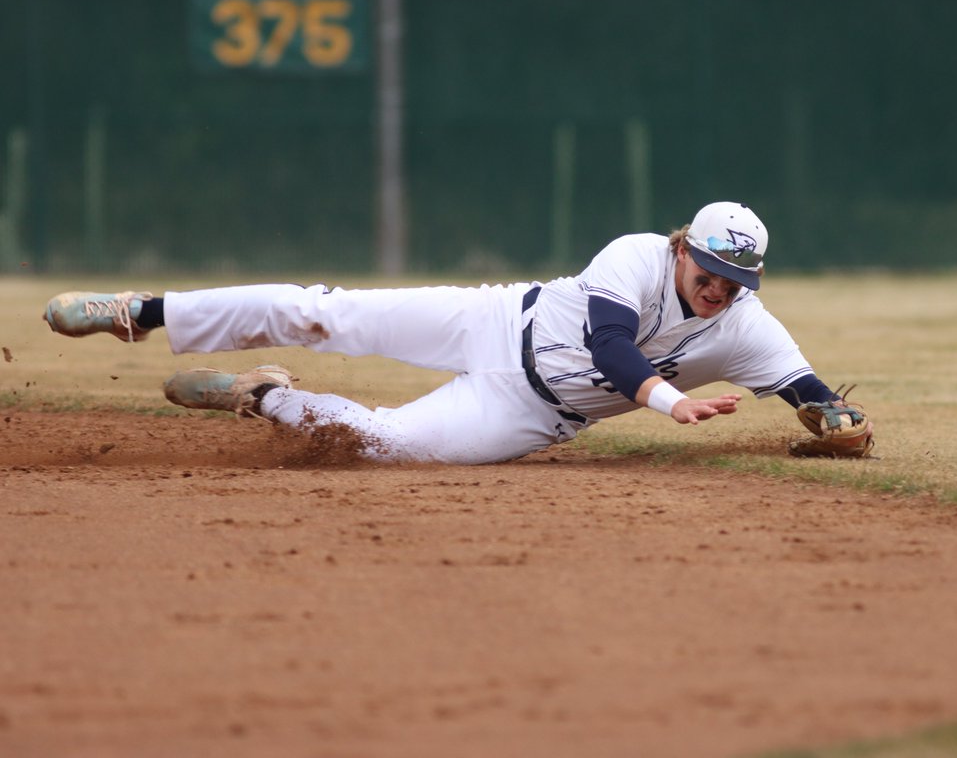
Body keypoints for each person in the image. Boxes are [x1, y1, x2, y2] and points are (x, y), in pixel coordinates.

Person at [43, 201, 872, 464]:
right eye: (712, 270)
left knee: (377, 446)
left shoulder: (748, 326)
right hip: (489, 319)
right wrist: (665, 403)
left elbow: (813, 397)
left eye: (738, 282)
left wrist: (837, 424)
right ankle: (138, 312)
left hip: (532, 416)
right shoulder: (638, 258)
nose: (720, 290)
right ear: (684, 245)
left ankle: (259, 397)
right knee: (321, 310)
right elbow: (613, 347)